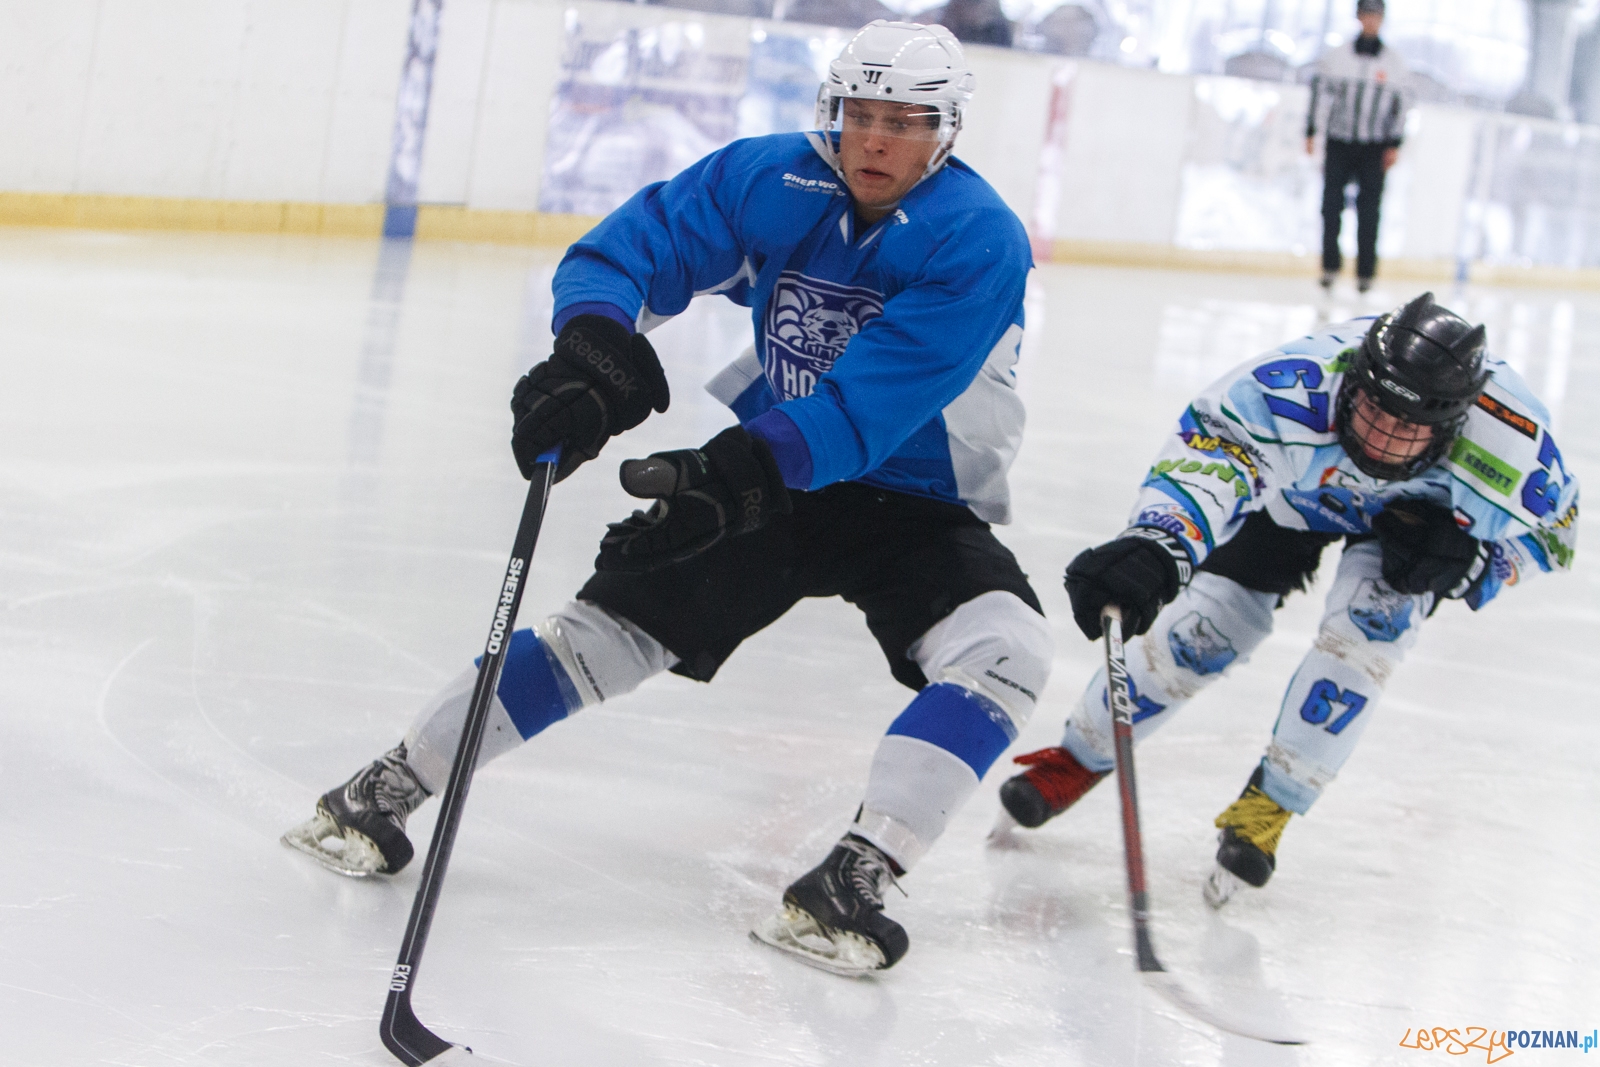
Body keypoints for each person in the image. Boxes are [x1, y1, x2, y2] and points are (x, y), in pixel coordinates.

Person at [283, 21, 1052, 977]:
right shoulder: (774, 178)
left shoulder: (978, 237)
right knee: (602, 634)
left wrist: (733, 474)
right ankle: (386, 785)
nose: (874, 140)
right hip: (781, 475)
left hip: (908, 497)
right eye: (859, 114)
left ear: (945, 131)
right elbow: (632, 249)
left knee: (1006, 653)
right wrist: (593, 347)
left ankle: (856, 875)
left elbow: (873, 405)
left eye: (903, 122)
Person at [995, 293, 1578, 907]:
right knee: (1204, 632)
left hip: (1411, 521)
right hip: (1296, 494)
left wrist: (1476, 566)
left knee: (1366, 641)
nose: (1381, 439)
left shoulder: (1513, 443)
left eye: (1408, 427)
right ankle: (1080, 756)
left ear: (1454, 424)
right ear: (1354, 381)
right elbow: (1212, 455)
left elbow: (1554, 532)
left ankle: (1270, 808)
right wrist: (1157, 543)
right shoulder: (1293, 385)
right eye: (1373, 410)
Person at [1306, 0, 1410, 294]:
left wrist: (1394, 143)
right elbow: (1319, 96)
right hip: (1340, 141)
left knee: (1369, 210)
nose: (1371, 20)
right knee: (1331, 205)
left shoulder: (1394, 63)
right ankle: (1330, 266)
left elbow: (1402, 106)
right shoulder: (1337, 57)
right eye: (1366, 14)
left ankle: (1365, 272)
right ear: (1358, 17)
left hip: (1374, 146)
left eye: (1376, 15)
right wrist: (1312, 131)